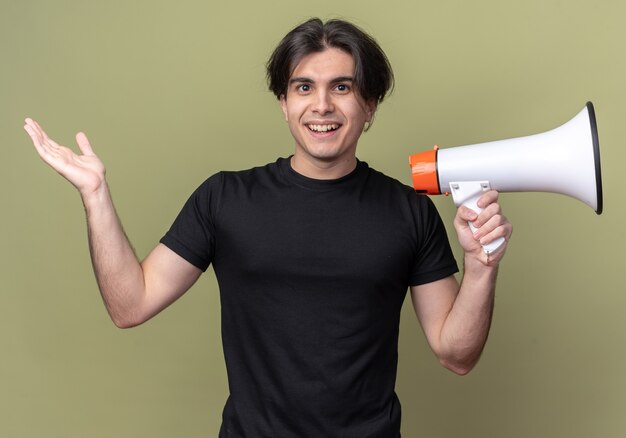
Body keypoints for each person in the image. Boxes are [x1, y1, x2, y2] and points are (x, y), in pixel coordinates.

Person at [24, 17, 512, 438]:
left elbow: (457, 354)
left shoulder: (409, 212)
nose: (321, 105)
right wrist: (95, 195)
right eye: (304, 87)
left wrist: (480, 266)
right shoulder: (224, 198)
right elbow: (130, 304)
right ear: (283, 101)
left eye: (341, 87)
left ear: (370, 106)